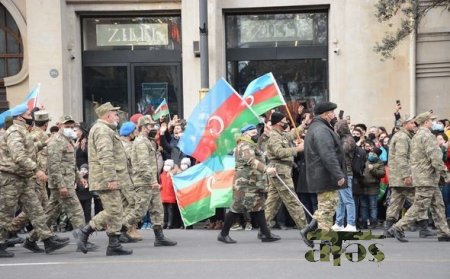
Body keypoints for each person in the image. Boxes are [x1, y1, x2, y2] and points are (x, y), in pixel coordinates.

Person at [0, 104, 70, 257]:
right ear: (19, 117)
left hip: (23, 178)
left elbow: (28, 149)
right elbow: (18, 156)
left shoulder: (22, 130)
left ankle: (47, 239)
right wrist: (36, 169)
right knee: (5, 213)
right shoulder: (14, 131)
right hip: (11, 178)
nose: (30, 115)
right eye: (27, 113)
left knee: (36, 209)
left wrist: (43, 143)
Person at [76, 102, 133, 256]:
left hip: (109, 177)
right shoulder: (102, 130)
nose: (118, 116)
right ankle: (85, 231)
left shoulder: (106, 129)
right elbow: (105, 155)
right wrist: (111, 178)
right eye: (115, 114)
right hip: (106, 179)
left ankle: (114, 244)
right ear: (107, 115)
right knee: (113, 210)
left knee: (116, 210)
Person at [27, 115, 88, 251]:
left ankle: (31, 239)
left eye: (72, 127)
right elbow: (53, 166)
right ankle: (83, 240)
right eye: (67, 126)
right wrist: (61, 185)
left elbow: (71, 164)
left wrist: (79, 178)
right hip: (61, 184)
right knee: (77, 211)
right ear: (60, 126)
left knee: (50, 214)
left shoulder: (68, 140)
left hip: (65, 182)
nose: (70, 129)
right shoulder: (56, 141)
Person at [389, 111, 450, 242]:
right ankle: (398, 227)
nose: (434, 123)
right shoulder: (427, 136)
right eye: (432, 121)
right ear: (426, 122)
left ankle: (444, 232)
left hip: (425, 177)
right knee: (420, 205)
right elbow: (435, 157)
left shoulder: (417, 135)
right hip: (426, 177)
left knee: (438, 205)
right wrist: (445, 173)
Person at [218, 124, 280, 243]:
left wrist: (265, 135)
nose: (256, 135)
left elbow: (258, 146)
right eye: (253, 133)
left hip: (253, 183)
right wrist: (266, 169)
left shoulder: (250, 144)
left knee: (259, 207)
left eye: (256, 133)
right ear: (246, 134)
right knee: (236, 208)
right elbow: (251, 161)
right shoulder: (244, 145)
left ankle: (265, 234)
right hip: (244, 185)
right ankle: (223, 234)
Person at [300, 102, 346, 247]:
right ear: (325, 114)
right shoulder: (321, 130)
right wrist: (338, 175)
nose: (334, 115)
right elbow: (328, 154)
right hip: (325, 175)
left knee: (327, 207)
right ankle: (326, 241)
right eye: (332, 112)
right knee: (327, 209)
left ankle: (308, 231)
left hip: (322, 175)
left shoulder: (319, 128)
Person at [131, 115, 177, 246]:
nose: (153, 128)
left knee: (157, 209)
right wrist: (152, 181)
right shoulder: (140, 142)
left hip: (151, 181)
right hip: (144, 182)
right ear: (144, 128)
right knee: (138, 211)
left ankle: (159, 237)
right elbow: (144, 164)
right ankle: (116, 233)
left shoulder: (149, 141)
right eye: (150, 126)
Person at [264, 111, 307, 231]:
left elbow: (292, 135)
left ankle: (264, 229)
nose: (287, 123)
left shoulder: (280, 134)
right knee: (292, 199)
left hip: (281, 171)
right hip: (280, 172)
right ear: (278, 123)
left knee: (272, 203)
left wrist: (304, 124)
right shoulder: (273, 136)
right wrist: (297, 149)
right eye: (284, 121)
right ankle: (305, 228)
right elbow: (279, 152)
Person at [331, 120, 357, 232]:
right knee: (339, 200)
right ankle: (339, 222)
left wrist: (335, 137)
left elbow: (342, 150)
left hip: (347, 172)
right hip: (339, 172)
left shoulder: (349, 140)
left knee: (348, 199)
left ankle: (351, 223)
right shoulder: (341, 139)